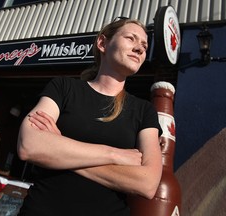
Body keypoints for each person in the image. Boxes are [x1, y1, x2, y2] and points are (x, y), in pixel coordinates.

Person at [17, 17, 162, 216]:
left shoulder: (144, 110)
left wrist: (59, 147)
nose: (140, 49)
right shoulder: (64, 88)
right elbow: (29, 146)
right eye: (131, 38)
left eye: (144, 45)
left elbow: (147, 183)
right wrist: (115, 154)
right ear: (102, 43)